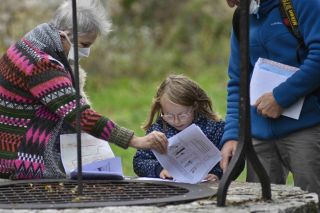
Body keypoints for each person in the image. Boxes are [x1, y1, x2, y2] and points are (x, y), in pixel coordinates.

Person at [0, 0, 168, 180]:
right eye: (84, 44)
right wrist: (136, 140)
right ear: (65, 35)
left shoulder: (33, 41)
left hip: (11, 141)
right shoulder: (43, 64)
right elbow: (79, 115)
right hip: (22, 153)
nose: (87, 51)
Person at [222, 0, 320, 197]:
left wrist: (281, 97)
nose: (229, 3)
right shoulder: (242, 17)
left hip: (307, 128)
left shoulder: (303, 4)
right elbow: (237, 82)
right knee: (259, 203)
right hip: (259, 136)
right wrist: (232, 135)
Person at [133, 74, 225, 181]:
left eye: (182, 115)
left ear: (195, 106)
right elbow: (139, 162)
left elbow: (232, 159)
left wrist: (217, 174)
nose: (176, 121)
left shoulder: (214, 128)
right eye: (169, 115)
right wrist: (160, 170)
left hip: (208, 189)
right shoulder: (158, 130)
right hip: (170, 190)